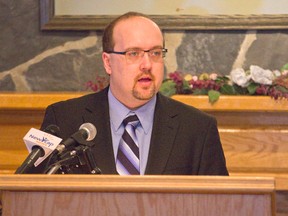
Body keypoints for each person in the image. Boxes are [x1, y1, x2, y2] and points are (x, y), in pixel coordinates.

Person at [32, 11, 228, 175]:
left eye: (156, 53)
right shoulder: (64, 120)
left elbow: (220, 205)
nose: (147, 64)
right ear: (108, 62)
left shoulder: (197, 128)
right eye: (133, 54)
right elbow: (34, 198)